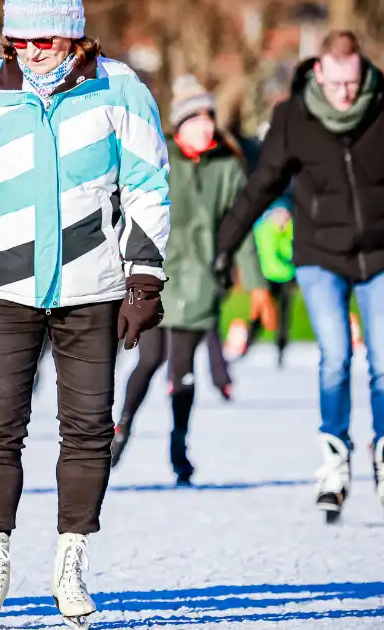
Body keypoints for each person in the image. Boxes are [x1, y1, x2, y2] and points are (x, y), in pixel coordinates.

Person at [0, 0, 170, 626]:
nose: (30, 51)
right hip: (4, 285)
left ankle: (71, 560)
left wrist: (144, 278)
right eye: (19, 39)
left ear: (74, 35)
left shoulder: (120, 87)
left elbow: (147, 182)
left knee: (87, 428)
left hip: (93, 285)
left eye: (44, 39)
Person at [214, 30, 384, 526]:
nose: (345, 94)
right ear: (319, 73)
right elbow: (261, 186)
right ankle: (334, 466)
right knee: (335, 358)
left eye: (352, 83)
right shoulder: (294, 117)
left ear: (363, 72)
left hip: (381, 255)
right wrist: (224, 246)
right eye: (337, 84)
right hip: (319, 255)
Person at [110, 76, 272, 482]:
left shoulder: (228, 170)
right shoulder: (157, 162)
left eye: (209, 119)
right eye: (196, 120)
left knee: (182, 370)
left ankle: (179, 446)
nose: (206, 127)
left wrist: (256, 285)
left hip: (201, 282)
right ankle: (121, 428)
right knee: (148, 360)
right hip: (155, 280)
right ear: (179, 126)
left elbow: (244, 230)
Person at [246, 197, 296, 367]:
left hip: (286, 276)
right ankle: (247, 344)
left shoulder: (290, 230)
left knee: (283, 316)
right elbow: (257, 252)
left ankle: (281, 349)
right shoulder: (264, 229)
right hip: (265, 277)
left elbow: (292, 252)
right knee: (259, 313)